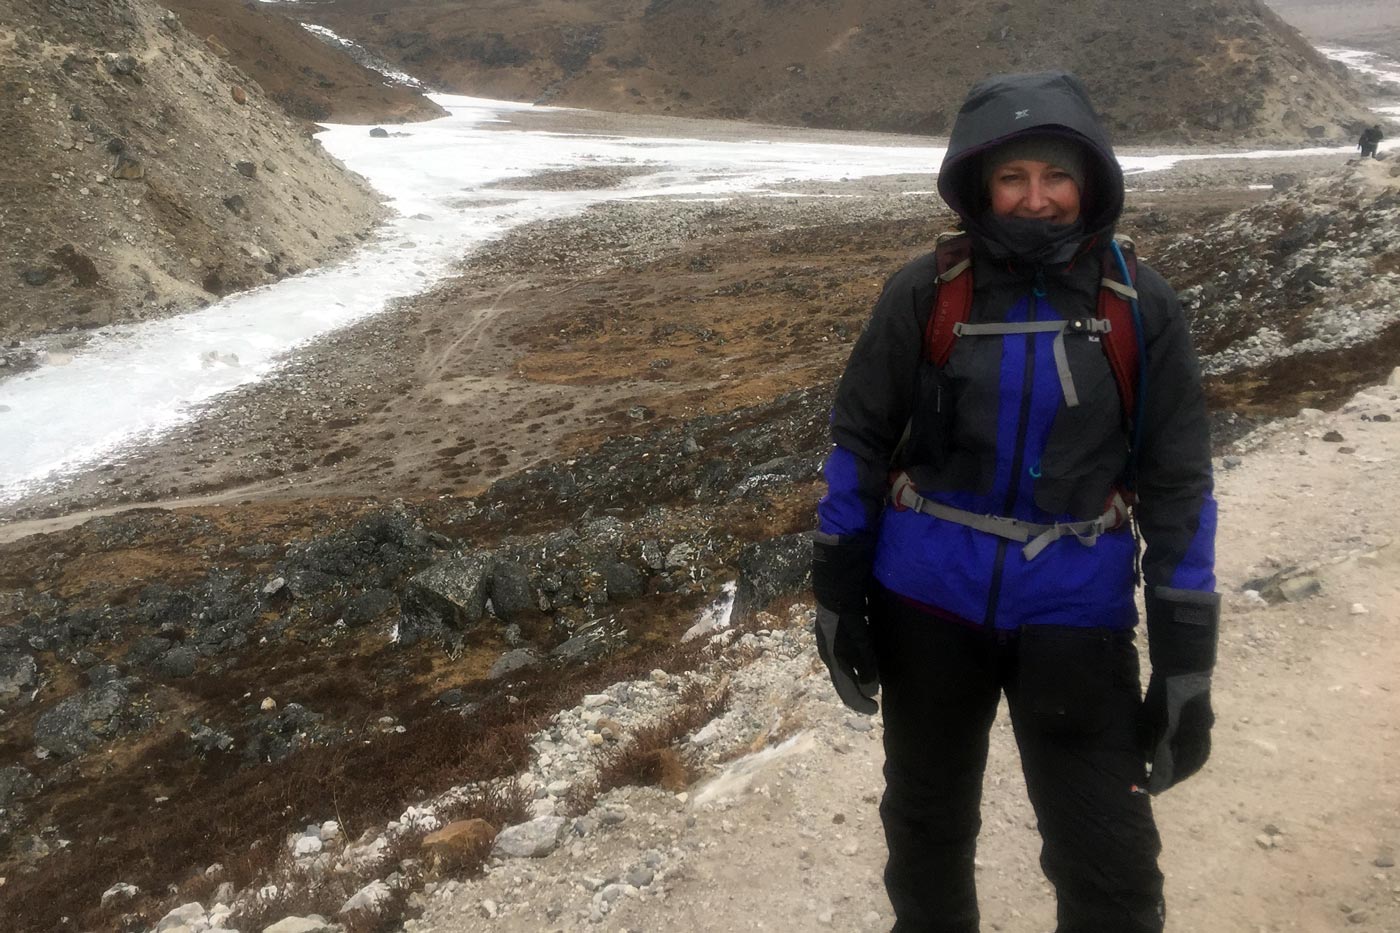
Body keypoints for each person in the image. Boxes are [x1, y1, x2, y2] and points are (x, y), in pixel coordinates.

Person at [811, 71, 1219, 933]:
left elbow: (1179, 486)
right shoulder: (924, 293)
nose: (1036, 200)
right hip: (926, 605)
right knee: (926, 827)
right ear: (978, 185)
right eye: (1012, 178)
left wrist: (1187, 660)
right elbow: (858, 445)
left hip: (1076, 615)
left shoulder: (1140, 305)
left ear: (1092, 182)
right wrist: (837, 594)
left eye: (1057, 176)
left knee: (1110, 866)